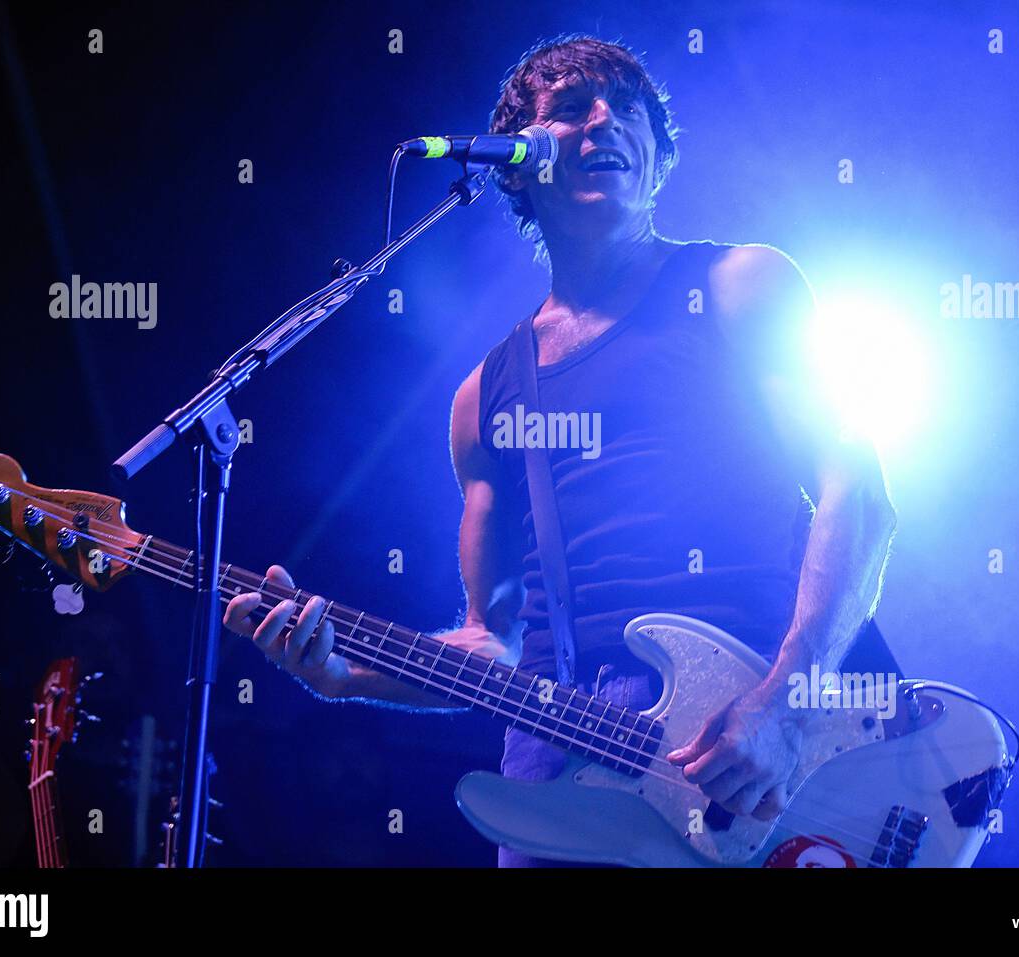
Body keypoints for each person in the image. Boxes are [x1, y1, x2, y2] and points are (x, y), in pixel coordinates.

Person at [223, 34, 897, 866]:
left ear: (658, 158)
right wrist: (343, 673)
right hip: (560, 787)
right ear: (517, 164)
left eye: (629, 110)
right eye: (572, 108)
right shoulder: (485, 397)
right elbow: (492, 641)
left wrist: (786, 706)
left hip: (749, 763)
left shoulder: (739, 286)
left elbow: (859, 494)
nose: (603, 122)